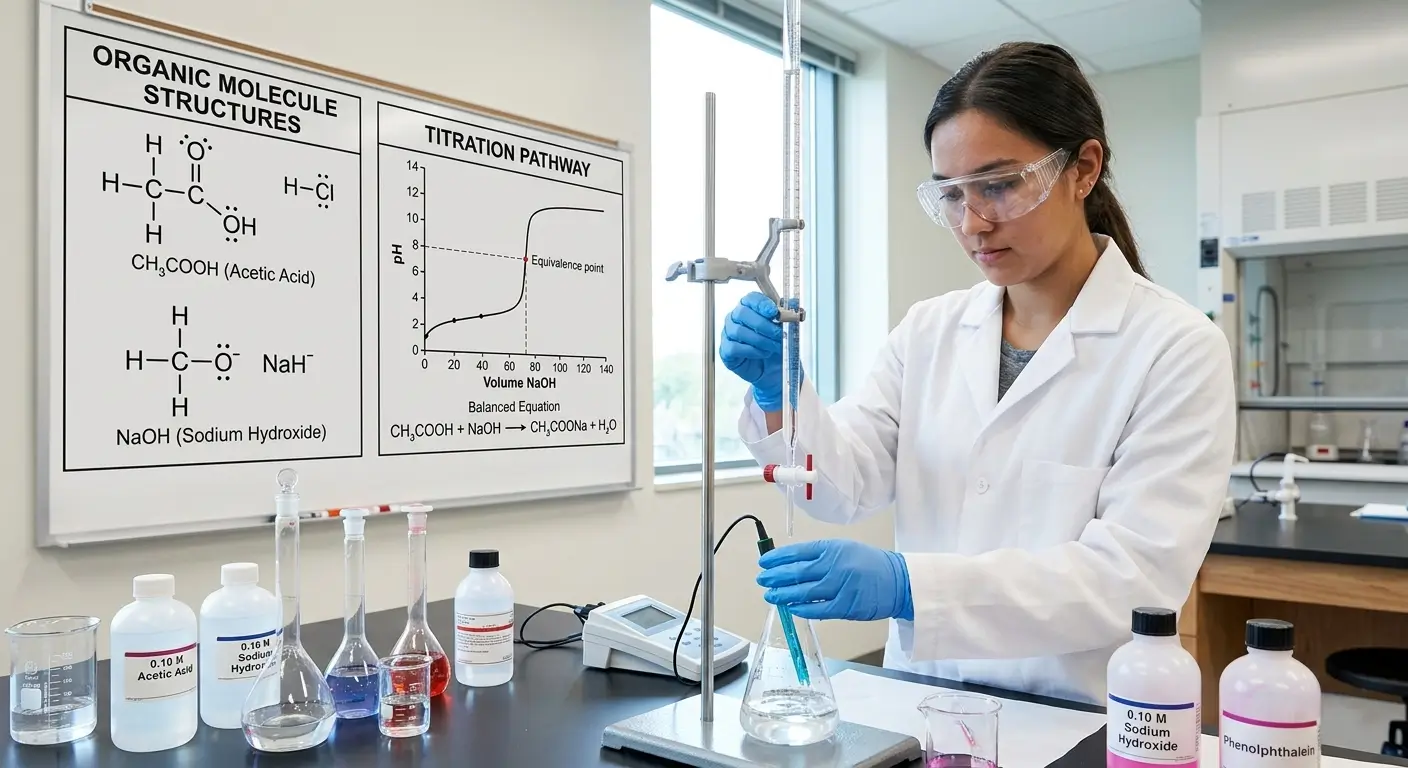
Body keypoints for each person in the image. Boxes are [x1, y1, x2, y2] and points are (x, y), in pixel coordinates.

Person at [720, 41, 1236, 705]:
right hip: (921, 701)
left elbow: (1131, 579)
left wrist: (912, 588)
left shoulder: (1174, 347)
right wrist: (779, 395)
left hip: (1070, 716)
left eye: (999, 185)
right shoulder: (929, 331)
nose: (974, 223)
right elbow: (843, 485)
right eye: (952, 194)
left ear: (1083, 169)